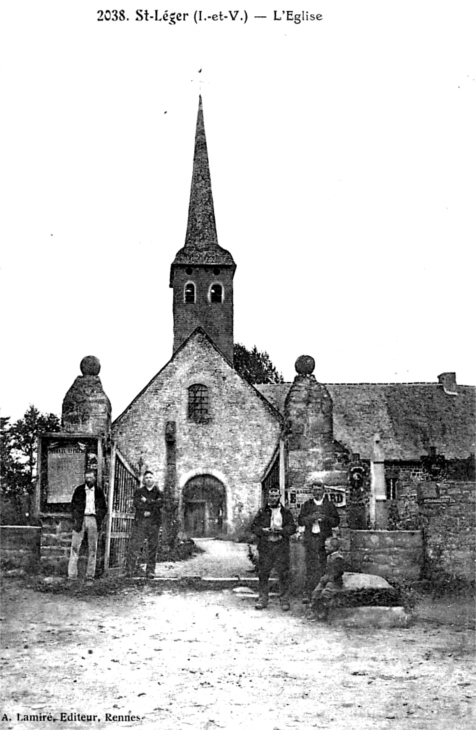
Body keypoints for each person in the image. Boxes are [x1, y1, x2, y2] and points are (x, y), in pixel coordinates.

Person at [250, 486, 296, 611]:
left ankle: (284, 600)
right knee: (264, 572)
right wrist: (263, 531)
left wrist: (282, 530)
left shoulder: (286, 512)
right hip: (266, 546)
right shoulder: (262, 512)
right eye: (272, 496)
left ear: (279, 497)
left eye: (276, 496)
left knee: (283, 573)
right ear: (268, 497)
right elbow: (254, 527)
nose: (274, 498)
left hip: (281, 546)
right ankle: (263, 598)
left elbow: (292, 528)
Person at [298, 479, 340, 603]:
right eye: (314, 490)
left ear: (323, 491)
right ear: (312, 491)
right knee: (310, 565)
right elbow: (300, 520)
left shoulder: (329, 505)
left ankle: (321, 592)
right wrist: (311, 518)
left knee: (323, 565)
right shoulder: (307, 505)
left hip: (324, 540)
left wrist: (325, 518)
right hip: (311, 538)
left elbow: (336, 521)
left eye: (319, 489)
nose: (316, 492)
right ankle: (308, 593)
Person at [68, 470, 107, 582]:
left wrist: (98, 518)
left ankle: (90, 575)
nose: (88, 480)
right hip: (80, 519)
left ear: (95, 478)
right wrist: (76, 518)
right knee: (75, 547)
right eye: (87, 477)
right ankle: (72, 575)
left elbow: (103, 508)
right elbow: (73, 506)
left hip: (93, 519)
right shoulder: (79, 490)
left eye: (91, 478)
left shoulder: (99, 491)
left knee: (92, 548)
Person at [126, 470, 163, 578]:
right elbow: (137, 504)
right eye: (146, 478)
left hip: (154, 522)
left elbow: (159, 504)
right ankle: (130, 570)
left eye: (150, 477)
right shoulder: (139, 492)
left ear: (154, 479)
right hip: (141, 521)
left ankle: (150, 571)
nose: (148, 479)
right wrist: (148, 508)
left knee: (153, 546)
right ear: (144, 480)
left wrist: (146, 502)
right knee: (135, 545)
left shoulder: (159, 492)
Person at [311, 536, 345, 620]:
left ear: (333, 547)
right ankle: (314, 612)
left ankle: (323, 613)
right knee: (316, 592)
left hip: (335, 582)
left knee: (325, 594)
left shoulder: (338, 558)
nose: (325, 548)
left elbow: (339, 572)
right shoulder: (328, 556)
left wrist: (330, 578)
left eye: (327, 546)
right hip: (327, 580)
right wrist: (324, 577)